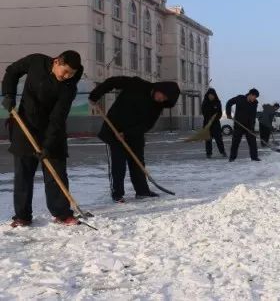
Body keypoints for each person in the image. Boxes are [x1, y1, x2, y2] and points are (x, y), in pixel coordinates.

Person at [2, 51, 83, 227]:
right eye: (66, 71)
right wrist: (8, 94)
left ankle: (62, 213)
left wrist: (47, 145)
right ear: (56, 62)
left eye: (72, 74)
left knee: (56, 174)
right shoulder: (36, 61)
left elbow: (57, 118)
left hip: (53, 132)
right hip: (25, 125)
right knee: (23, 174)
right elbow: (12, 71)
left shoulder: (69, 87)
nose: (67, 76)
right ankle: (22, 216)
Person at [89, 77, 180, 203]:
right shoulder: (137, 84)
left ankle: (142, 191)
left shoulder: (157, 106)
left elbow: (147, 125)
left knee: (138, 162)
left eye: (165, 99)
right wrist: (96, 95)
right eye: (162, 95)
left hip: (134, 134)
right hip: (114, 128)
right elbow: (112, 82)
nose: (161, 99)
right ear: (159, 88)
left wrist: (127, 133)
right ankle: (118, 194)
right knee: (118, 163)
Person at [226, 89, 260, 162]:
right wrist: (228, 113)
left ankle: (254, 157)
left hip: (249, 126)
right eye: (254, 96)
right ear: (250, 94)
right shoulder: (240, 98)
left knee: (252, 142)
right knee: (235, 142)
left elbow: (253, 116)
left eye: (256, 97)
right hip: (238, 124)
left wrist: (251, 127)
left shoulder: (255, 103)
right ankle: (232, 158)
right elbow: (229, 103)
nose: (255, 99)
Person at [201, 88, 226, 158]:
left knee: (219, 139)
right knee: (208, 139)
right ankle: (209, 153)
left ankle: (222, 152)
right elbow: (203, 112)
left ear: (215, 95)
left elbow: (220, 113)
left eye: (212, 95)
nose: (211, 96)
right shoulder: (205, 102)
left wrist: (215, 118)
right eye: (209, 95)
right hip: (207, 123)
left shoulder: (218, 102)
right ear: (207, 95)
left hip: (216, 124)